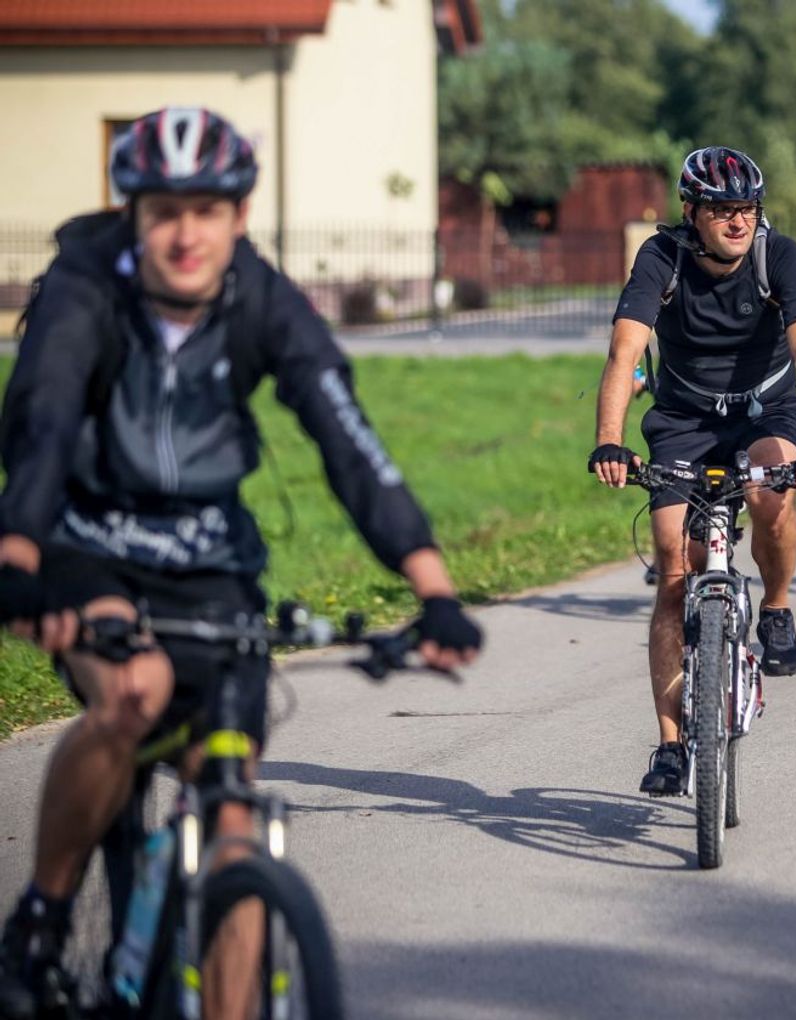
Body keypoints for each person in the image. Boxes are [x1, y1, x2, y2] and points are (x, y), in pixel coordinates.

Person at [0, 107, 483, 1019]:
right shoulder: (86, 287)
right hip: (83, 543)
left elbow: (349, 440)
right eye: (164, 212)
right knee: (135, 689)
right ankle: (42, 917)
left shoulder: (260, 296)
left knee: (233, 815)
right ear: (134, 215)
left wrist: (435, 591)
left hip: (210, 564)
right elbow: (44, 421)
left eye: (207, 212)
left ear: (240, 215)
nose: (186, 234)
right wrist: (19, 556)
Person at [589, 146, 796, 795]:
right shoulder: (661, 258)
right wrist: (609, 441)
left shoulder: (777, 255)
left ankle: (776, 609)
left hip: (767, 413)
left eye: (748, 209)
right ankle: (671, 746)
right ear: (690, 211)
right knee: (675, 566)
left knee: (771, 495)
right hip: (685, 420)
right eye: (724, 210)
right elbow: (624, 351)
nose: (738, 221)